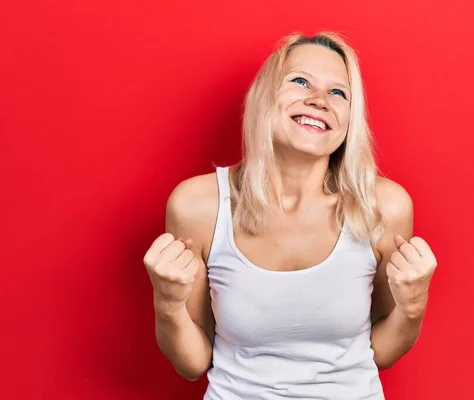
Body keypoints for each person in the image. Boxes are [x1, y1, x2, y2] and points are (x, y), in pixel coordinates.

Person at [143, 31, 438, 399]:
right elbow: (193, 362)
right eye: (300, 81)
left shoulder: (382, 207)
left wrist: (412, 308)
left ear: (350, 119)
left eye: (338, 93)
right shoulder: (198, 205)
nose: (319, 101)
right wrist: (166, 302)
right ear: (265, 96)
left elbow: (377, 350)